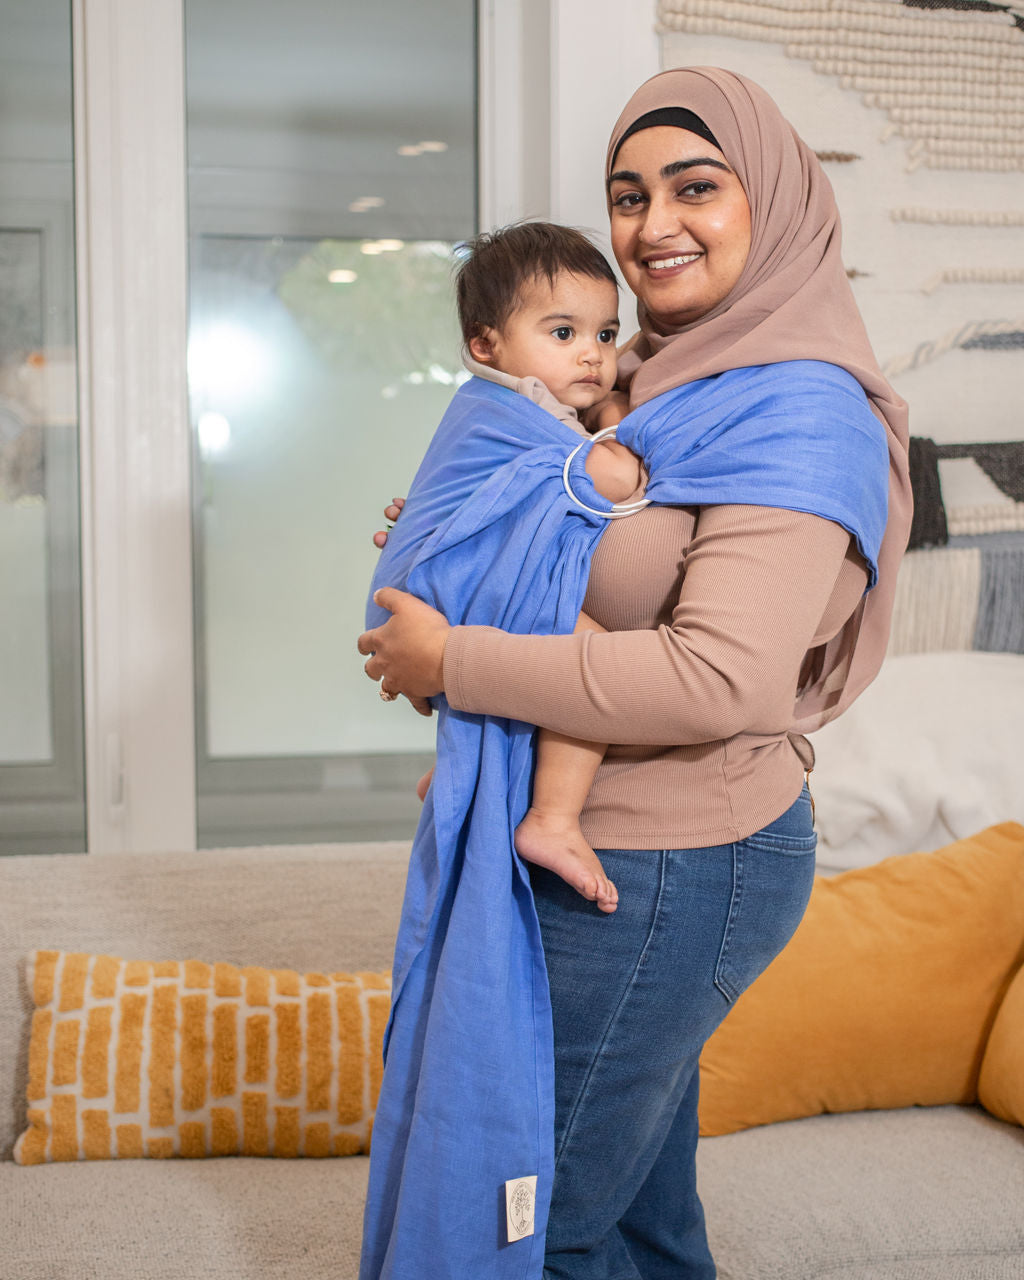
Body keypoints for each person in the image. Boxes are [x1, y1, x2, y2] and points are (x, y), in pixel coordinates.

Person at [359, 66, 911, 1280]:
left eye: (695, 187)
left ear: (772, 201)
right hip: (613, 846)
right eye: (628, 192)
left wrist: (457, 655)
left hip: (672, 861)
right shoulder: (649, 385)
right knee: (635, 1220)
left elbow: (719, 679)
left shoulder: (795, 411)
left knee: (531, 1219)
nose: (652, 222)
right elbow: (586, 560)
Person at [411, 220, 658, 914]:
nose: (592, 356)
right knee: (592, 660)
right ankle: (552, 817)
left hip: (458, 589)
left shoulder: (518, 401)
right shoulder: (520, 409)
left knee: (528, 670)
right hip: (464, 589)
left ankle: (470, 772)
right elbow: (612, 477)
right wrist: (620, 412)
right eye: (563, 334)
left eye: (607, 336)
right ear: (486, 345)